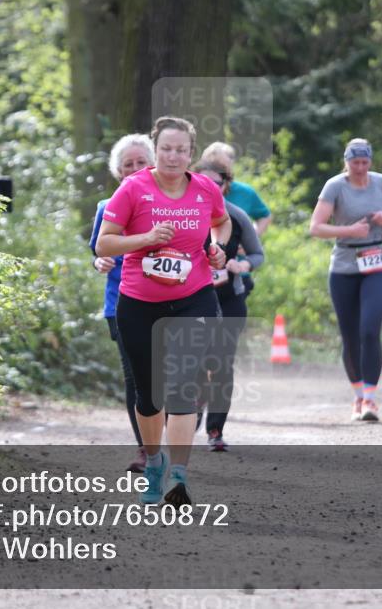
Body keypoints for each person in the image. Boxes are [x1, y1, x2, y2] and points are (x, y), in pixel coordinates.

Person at [96, 116, 231, 506]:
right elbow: (105, 244)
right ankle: (155, 462)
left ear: (191, 153)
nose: (174, 156)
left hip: (194, 298)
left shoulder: (205, 188)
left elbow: (221, 222)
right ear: (156, 151)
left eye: (181, 150)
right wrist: (147, 238)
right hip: (139, 303)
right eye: (167, 149)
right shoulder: (132, 189)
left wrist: (217, 246)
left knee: (184, 387)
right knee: (149, 395)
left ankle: (179, 476)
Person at [308, 138, 382, 422]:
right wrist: (349, 231)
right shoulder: (335, 186)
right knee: (350, 335)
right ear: (346, 162)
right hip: (344, 265)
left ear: (371, 161)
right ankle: (358, 395)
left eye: (365, 162)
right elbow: (316, 227)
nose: (360, 168)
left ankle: (371, 400)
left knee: (369, 330)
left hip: (377, 262)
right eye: (355, 163)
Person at [89, 134, 155, 473]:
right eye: (127, 164)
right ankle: (146, 449)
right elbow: (98, 251)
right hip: (121, 303)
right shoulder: (106, 207)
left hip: (167, 300)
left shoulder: (169, 204)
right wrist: (100, 263)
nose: (134, 168)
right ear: (118, 171)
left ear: (153, 164)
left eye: (141, 162)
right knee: (135, 378)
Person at [192, 158, 265, 451]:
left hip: (229, 300)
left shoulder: (236, 216)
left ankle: (215, 430)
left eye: (217, 183)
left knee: (222, 364)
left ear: (226, 186)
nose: (210, 187)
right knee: (197, 361)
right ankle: (196, 402)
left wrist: (242, 265)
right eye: (204, 181)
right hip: (193, 300)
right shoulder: (184, 214)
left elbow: (258, 254)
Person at [201, 142, 272, 236]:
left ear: (231, 165)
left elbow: (265, 216)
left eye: (222, 167)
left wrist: (250, 237)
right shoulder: (190, 190)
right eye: (212, 166)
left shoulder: (245, 193)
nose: (217, 172)